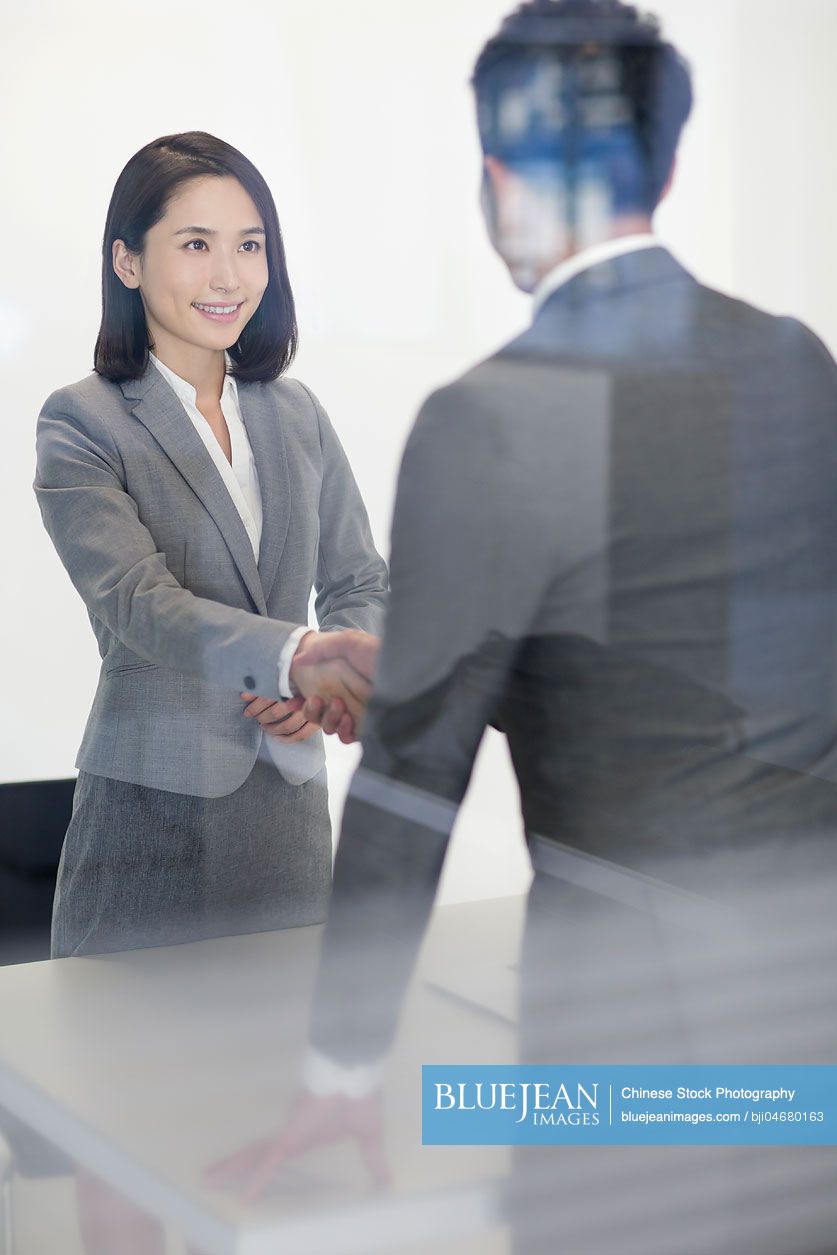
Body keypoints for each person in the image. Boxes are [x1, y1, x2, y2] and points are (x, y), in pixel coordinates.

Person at [238, 2, 837, 1248]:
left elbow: (413, 781)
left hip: (624, 1049)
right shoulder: (793, 362)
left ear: (497, 178)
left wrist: (341, 1070)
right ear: (665, 165)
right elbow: (694, 653)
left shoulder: (493, 415)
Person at [34, 130, 387, 962]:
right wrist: (295, 657)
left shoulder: (295, 413)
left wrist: (329, 676)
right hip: (150, 819)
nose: (230, 276)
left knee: (274, 1067)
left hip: (290, 811)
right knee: (128, 1073)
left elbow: (357, 578)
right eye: (196, 244)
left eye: (250, 245)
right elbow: (137, 604)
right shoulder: (83, 420)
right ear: (127, 261)